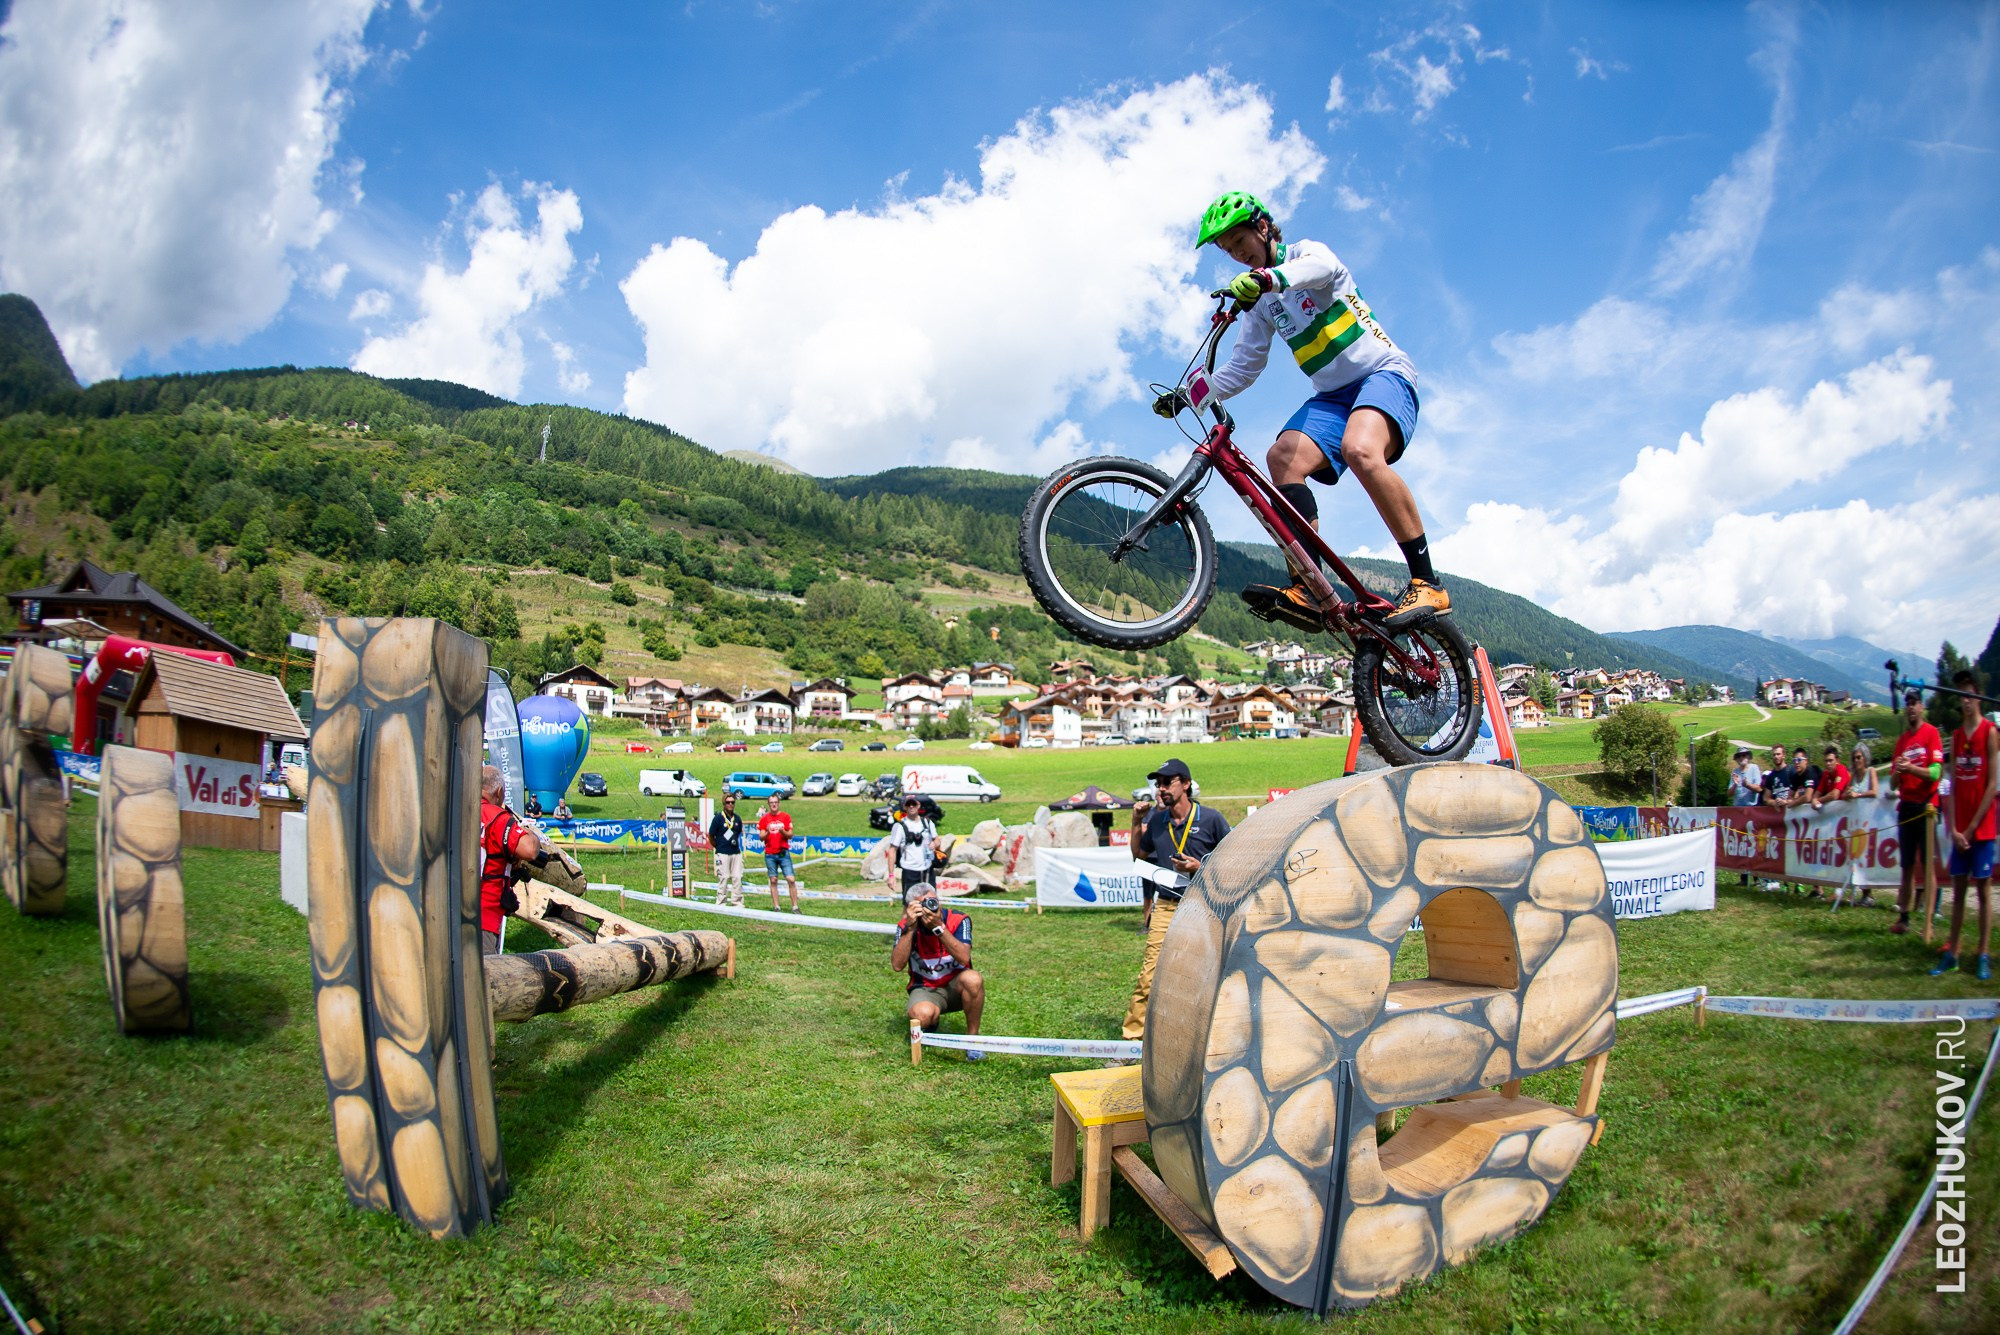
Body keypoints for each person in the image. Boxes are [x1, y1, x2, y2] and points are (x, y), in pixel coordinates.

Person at [1163, 191, 1445, 633]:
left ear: (1263, 227)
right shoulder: (1260, 302)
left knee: (1360, 449)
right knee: (1282, 459)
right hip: (1332, 396)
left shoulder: (1306, 255)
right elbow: (1243, 367)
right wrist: (1188, 395)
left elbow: (1321, 271)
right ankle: (1311, 590)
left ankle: (1427, 581)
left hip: (1382, 374)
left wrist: (1268, 280)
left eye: (1241, 241)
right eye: (1230, 250)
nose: (1239, 255)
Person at [1119, 758, 1232, 1045]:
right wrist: (1135, 822)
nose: (1161, 789)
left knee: (1205, 972)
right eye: (1158, 784)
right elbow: (1139, 856)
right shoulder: (1157, 820)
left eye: (1167, 783)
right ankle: (1133, 1040)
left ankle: (1206, 1038)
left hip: (1203, 906)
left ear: (1185, 784)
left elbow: (1232, 862)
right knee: (1149, 974)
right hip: (1167, 904)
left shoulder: (1211, 819)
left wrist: (1198, 868)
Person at [1932, 671, 1996, 980]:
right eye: (1961, 695)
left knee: (1983, 891)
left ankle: (1982, 954)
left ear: (1979, 697)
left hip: (1982, 828)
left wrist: (1970, 830)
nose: (1965, 700)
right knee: (1957, 891)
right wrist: (1955, 828)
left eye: (1970, 694)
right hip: (1960, 829)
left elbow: (1993, 784)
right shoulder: (1957, 737)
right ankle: (1953, 954)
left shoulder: (1991, 733)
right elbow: (1953, 784)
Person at [890, 881, 985, 1059]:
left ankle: (973, 1040)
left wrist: (939, 927)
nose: (931, 908)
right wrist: (910, 928)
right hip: (926, 987)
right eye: (923, 904)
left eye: (933, 901)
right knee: (922, 1015)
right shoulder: (905, 925)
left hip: (956, 985)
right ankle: (931, 1020)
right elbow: (897, 965)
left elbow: (964, 958)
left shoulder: (958, 919)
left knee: (974, 979)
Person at [1889, 689, 1945, 935]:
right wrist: (1900, 772)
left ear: (1922, 707)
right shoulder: (1901, 741)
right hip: (1906, 807)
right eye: (1908, 703)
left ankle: (1929, 923)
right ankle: (1904, 917)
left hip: (1927, 806)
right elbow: (1892, 783)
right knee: (1907, 866)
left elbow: (1935, 773)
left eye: (1915, 703)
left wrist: (1911, 768)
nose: (1911, 707)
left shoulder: (1931, 733)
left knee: (1927, 866)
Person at [478, 764, 540, 955]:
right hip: (484, 915)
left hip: (449, 913)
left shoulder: (456, 811)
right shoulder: (495, 817)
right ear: (499, 791)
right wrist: (531, 833)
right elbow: (529, 849)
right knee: (487, 980)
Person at [886, 795, 942, 899]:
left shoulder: (928, 823)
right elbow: (892, 850)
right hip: (910, 872)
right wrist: (891, 876)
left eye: (914, 804)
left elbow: (937, 840)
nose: (911, 806)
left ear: (918, 805)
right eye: (908, 804)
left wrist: (935, 844)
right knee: (910, 906)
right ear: (904, 807)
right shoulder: (899, 827)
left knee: (931, 904)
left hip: (927, 871)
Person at [757, 793, 800, 912]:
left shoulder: (785, 817)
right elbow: (761, 837)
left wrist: (783, 832)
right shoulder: (764, 819)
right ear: (768, 804)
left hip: (783, 853)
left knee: (791, 879)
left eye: (775, 802)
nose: (774, 805)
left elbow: (790, 834)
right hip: (770, 853)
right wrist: (768, 832)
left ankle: (795, 906)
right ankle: (776, 906)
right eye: (771, 803)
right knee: (773, 880)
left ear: (779, 803)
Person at [708, 792, 746, 907]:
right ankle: (721, 902)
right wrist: (718, 847)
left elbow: (738, 833)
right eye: (728, 802)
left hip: (735, 852)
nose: (730, 804)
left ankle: (737, 902)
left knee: (737, 877)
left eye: (732, 802)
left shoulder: (737, 819)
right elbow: (711, 835)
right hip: (722, 852)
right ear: (724, 803)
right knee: (723, 877)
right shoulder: (718, 819)